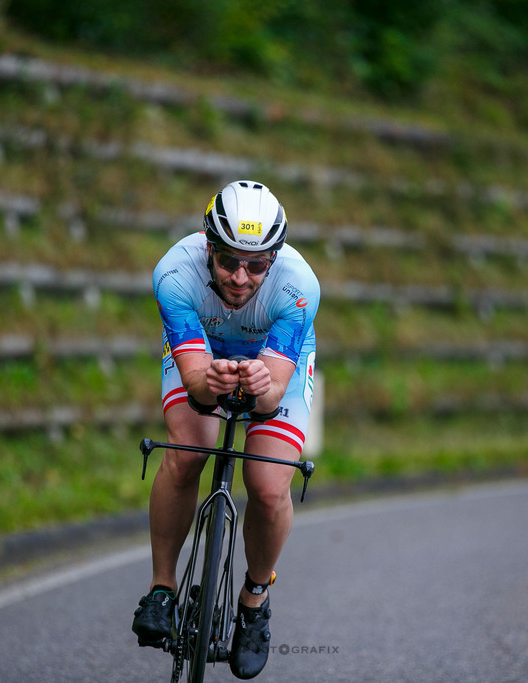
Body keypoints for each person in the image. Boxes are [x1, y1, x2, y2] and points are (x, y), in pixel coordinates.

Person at [132, 180, 320, 679]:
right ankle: (161, 590)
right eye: (228, 261)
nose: (240, 277)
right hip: (204, 354)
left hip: (275, 364)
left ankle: (254, 603)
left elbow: (274, 394)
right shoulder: (174, 273)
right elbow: (195, 381)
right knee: (188, 452)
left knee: (266, 482)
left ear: (274, 259)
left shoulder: (300, 286)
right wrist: (209, 379)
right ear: (207, 245)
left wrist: (261, 381)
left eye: (257, 265)